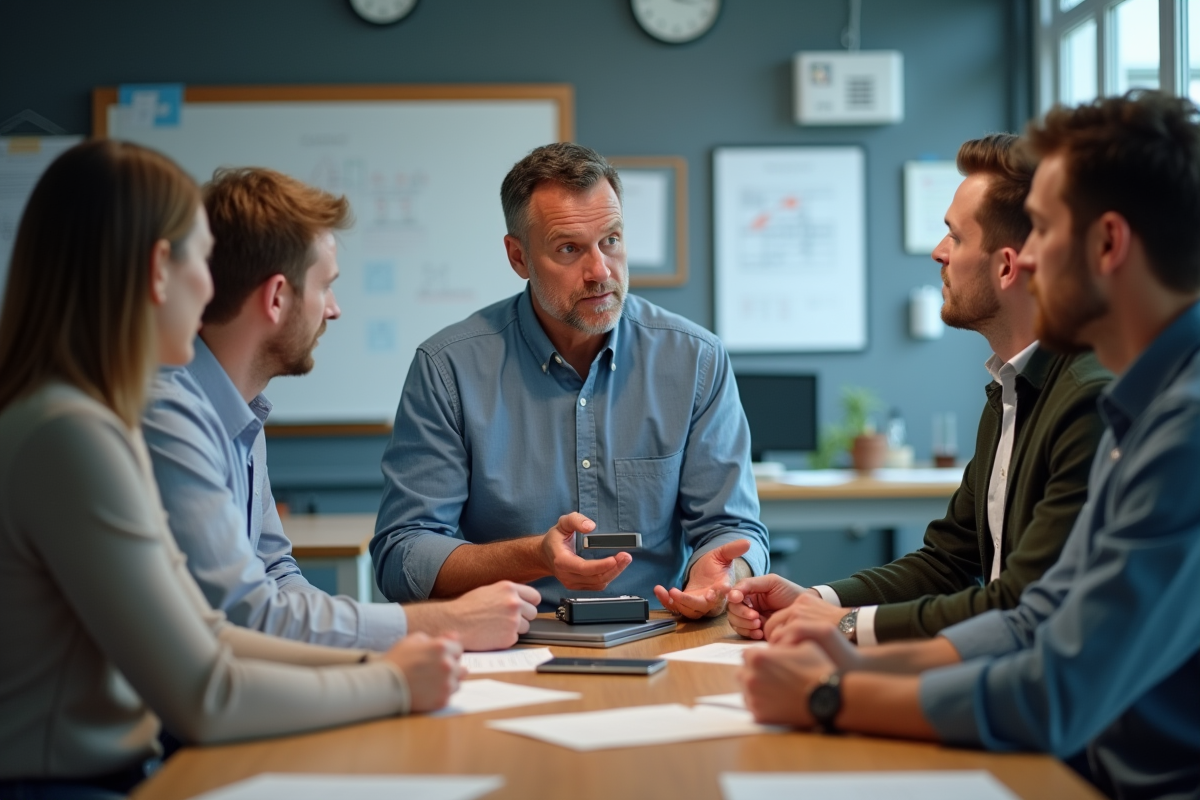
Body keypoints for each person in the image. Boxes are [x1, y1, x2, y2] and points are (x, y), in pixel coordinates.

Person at [739, 91, 1200, 800]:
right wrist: (855, 666)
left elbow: (1057, 690)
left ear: (1108, 244)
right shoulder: (1141, 405)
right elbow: (1034, 620)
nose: (1030, 259)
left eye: (1043, 230)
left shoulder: (1182, 429)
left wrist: (831, 695)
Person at [0, 141, 463, 799]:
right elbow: (204, 692)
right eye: (199, 257)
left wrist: (379, 659)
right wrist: (392, 681)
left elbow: (210, 631)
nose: (209, 285)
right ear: (163, 269)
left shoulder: (87, 418)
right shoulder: (71, 433)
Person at [726, 135, 1110, 646]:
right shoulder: (1011, 389)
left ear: (1006, 266)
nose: (938, 252)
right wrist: (815, 601)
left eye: (954, 236)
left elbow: (1019, 601)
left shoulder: (1086, 400)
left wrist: (842, 627)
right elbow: (948, 560)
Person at [142, 167, 539, 653]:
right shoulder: (170, 415)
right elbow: (246, 612)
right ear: (277, 297)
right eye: (325, 286)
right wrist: (436, 623)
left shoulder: (242, 412)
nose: (333, 309)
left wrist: (391, 646)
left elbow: (277, 575)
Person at [372, 142, 769, 617]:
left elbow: (731, 529)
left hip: (660, 630)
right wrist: (531, 557)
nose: (600, 271)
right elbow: (403, 557)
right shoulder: (448, 369)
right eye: (569, 249)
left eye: (612, 240)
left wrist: (722, 574)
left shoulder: (695, 359)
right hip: (511, 640)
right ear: (518, 257)